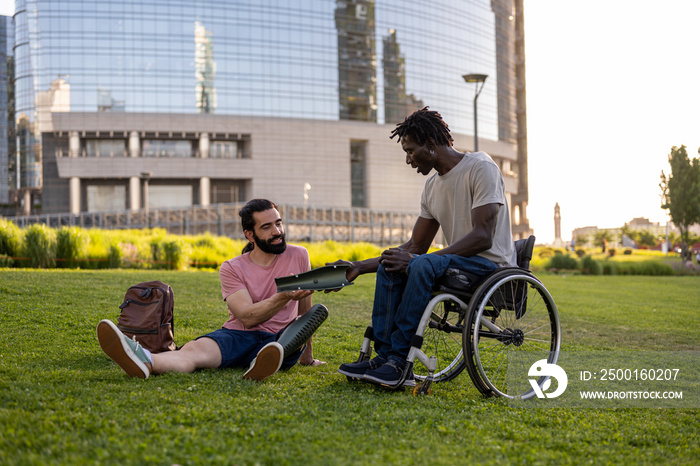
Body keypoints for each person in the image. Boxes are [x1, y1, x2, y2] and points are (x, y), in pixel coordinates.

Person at [333, 107, 516, 388]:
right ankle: (385, 358)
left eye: (410, 151)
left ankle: (398, 361)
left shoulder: (481, 167)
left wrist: (416, 260)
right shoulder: (432, 186)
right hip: (456, 264)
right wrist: (360, 266)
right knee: (394, 263)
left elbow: (482, 237)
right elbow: (416, 245)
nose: (408, 160)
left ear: (431, 146)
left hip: (490, 267)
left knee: (419, 262)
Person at [97, 199, 328, 382]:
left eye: (278, 223)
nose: (277, 231)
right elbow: (247, 317)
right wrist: (284, 296)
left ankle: (266, 358)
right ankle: (143, 359)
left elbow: (303, 313)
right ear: (250, 234)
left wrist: (307, 357)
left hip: (282, 339)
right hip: (239, 335)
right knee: (194, 350)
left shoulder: (299, 255)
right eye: (266, 227)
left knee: (311, 316)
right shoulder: (232, 267)